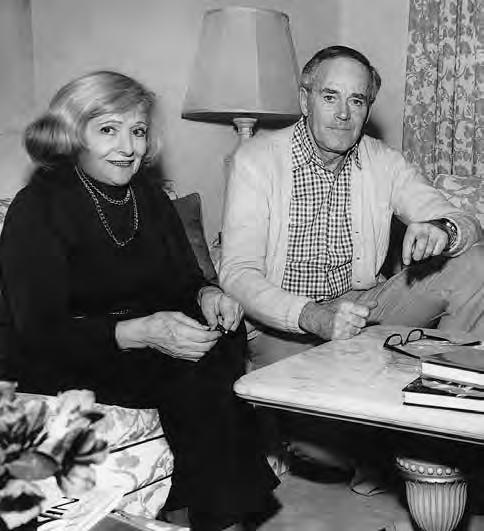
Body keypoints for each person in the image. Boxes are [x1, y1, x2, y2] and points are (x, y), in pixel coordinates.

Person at [0, 71, 278, 531]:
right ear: (73, 134)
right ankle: (220, 516)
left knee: (222, 338)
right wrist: (142, 332)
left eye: (138, 131)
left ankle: (203, 505)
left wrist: (208, 294)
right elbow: (39, 332)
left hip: (134, 344)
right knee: (194, 375)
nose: (128, 147)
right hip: (61, 356)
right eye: (108, 130)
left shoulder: (148, 196)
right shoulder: (38, 206)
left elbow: (183, 279)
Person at [219, 45, 484, 486]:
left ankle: (443, 419)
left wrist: (442, 228)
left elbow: (464, 223)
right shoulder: (256, 159)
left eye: (356, 100)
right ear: (305, 99)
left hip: (364, 306)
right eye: (330, 97)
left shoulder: (384, 160)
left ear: (367, 109)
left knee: (476, 265)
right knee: (326, 453)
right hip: (284, 322)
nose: (343, 113)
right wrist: (312, 316)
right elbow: (237, 274)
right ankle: (372, 444)